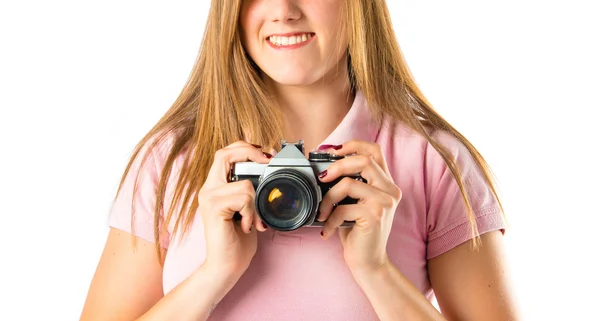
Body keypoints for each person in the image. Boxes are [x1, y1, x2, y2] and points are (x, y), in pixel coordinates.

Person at [80, 1, 520, 320]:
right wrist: (214, 274)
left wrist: (376, 271)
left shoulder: (433, 163)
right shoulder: (171, 161)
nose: (284, 10)